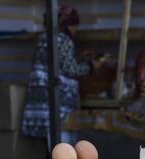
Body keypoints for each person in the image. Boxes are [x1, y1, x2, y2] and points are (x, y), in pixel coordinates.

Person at [22, 5, 101, 146]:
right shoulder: (63, 40)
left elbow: (58, 63)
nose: (75, 30)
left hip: (40, 97)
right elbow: (70, 69)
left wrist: (82, 59)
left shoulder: (43, 38)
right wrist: (91, 66)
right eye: (75, 25)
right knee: (62, 144)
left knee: (50, 144)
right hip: (55, 97)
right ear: (68, 25)